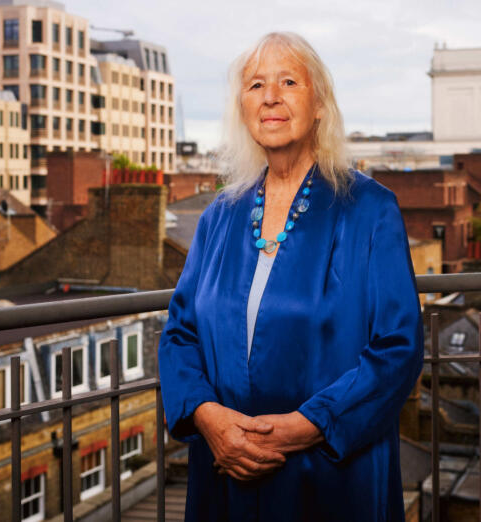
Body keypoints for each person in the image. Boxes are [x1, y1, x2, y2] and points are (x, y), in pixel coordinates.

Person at [158, 32, 423, 521]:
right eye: (256, 85)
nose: (271, 97)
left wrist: (306, 426)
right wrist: (210, 419)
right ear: (243, 108)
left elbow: (398, 346)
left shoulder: (369, 209)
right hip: (226, 468)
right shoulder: (219, 216)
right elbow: (180, 333)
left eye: (288, 82)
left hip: (329, 471)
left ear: (319, 104)